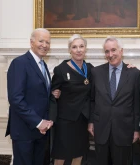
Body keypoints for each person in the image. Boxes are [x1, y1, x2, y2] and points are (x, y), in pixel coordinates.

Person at [88, 36, 140, 165]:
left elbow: (136, 104)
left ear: (121, 51)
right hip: (101, 129)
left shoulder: (134, 73)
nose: (110, 54)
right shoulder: (96, 72)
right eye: (107, 51)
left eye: (113, 50)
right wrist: (91, 122)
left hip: (124, 130)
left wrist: (136, 129)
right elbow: (91, 100)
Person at [5, 28, 54, 165]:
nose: (45, 45)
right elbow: (16, 99)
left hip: (41, 132)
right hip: (24, 131)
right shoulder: (19, 63)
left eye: (48, 42)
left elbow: (38, 94)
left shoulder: (43, 65)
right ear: (31, 42)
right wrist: (39, 122)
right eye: (41, 41)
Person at [51, 34, 93, 165]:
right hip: (65, 120)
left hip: (82, 119)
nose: (78, 50)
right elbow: (51, 94)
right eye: (74, 47)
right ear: (70, 50)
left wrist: (127, 67)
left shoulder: (90, 69)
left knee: (79, 153)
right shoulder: (61, 69)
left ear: (86, 49)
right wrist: (53, 94)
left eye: (81, 46)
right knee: (61, 155)